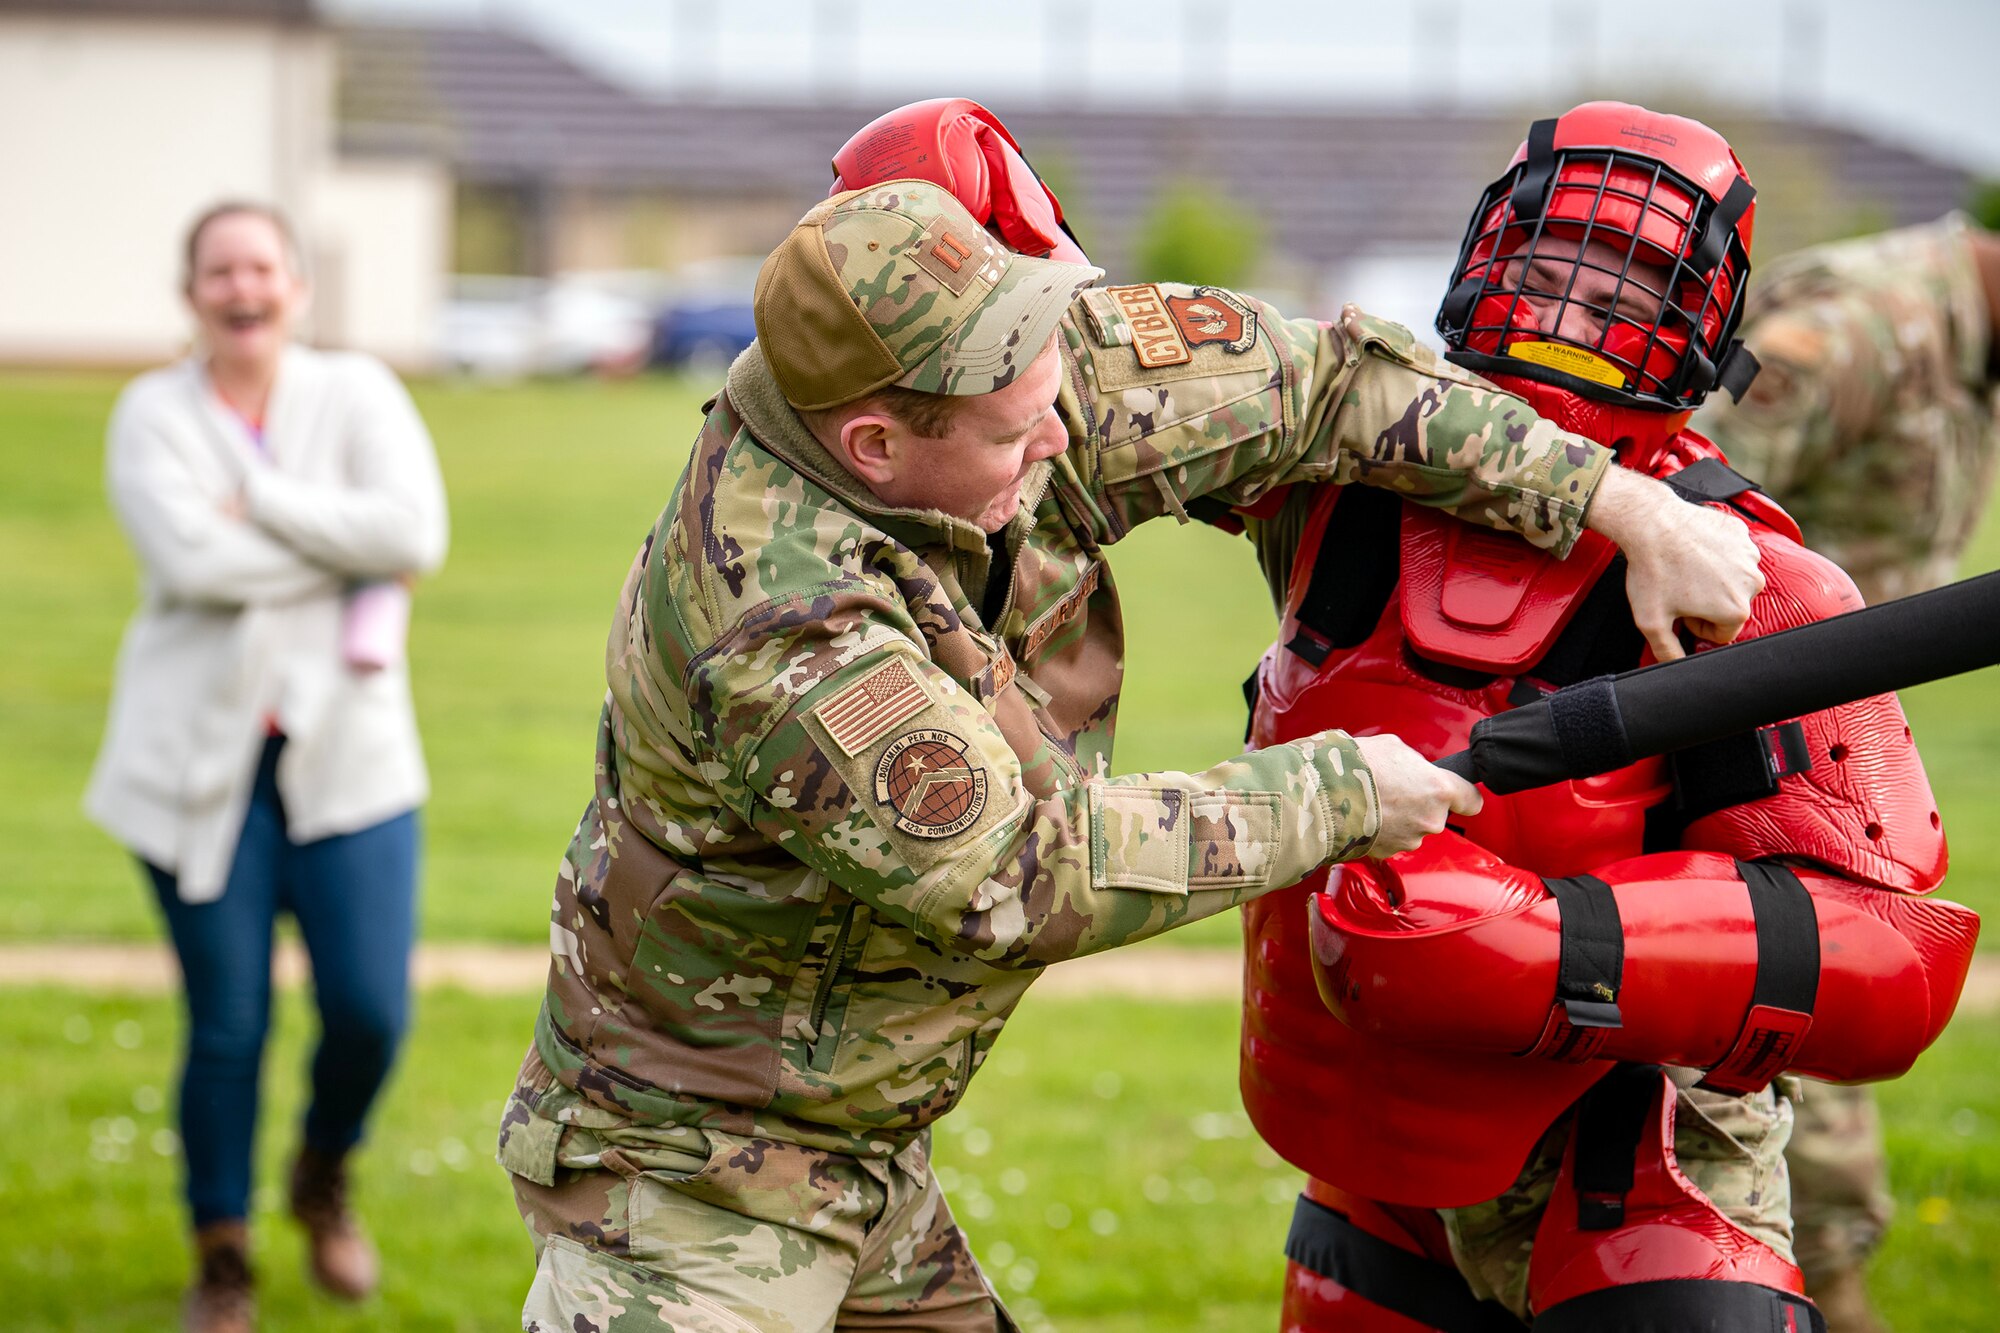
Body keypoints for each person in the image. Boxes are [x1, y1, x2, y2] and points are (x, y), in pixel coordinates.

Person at [494, 146, 1772, 1329]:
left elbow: (1322, 382)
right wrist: (1335, 793)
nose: (1057, 441)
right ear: (876, 447)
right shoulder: (784, 624)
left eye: (1051, 394)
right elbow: (1015, 872)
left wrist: (1610, 502)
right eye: (1014, 434)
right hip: (688, 1186)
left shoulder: (1005, 360)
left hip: (856, 1150)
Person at [1239, 103, 1978, 1331]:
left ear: (1690, 329)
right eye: (1543, 277)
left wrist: (1551, 950)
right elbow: (1108, 415)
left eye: (1619, 295)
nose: (1565, 324)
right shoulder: (1328, 485)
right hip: (1369, 1166)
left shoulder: (1757, 587)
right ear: (1481, 266)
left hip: (1639, 1177)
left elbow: (1897, 956)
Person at [84, 202, 449, 1333]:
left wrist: (266, 504)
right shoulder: (153, 412)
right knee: (229, 1023)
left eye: (260, 268)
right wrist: (345, 547)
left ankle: (322, 1171)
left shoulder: (359, 394)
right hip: (195, 771)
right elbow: (188, 561)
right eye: (217, 271)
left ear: (295, 285)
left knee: (369, 1012)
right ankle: (222, 1254)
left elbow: (416, 539)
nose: (241, 289)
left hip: (351, 763)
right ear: (189, 290)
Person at [1692, 213, 2000, 1330]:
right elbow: (1679, 483)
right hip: (1745, 753)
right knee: (1778, 1046)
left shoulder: (1959, 342)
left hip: (1827, 747)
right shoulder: (1863, 328)